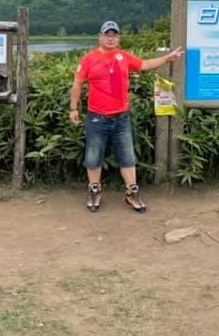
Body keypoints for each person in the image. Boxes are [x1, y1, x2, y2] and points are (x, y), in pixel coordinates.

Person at [69, 20, 183, 213]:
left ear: (118, 38)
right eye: (107, 34)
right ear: (100, 37)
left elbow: (145, 64)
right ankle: (94, 190)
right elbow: (77, 84)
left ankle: (132, 193)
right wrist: (73, 109)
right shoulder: (89, 59)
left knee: (128, 157)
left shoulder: (124, 57)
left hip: (121, 118)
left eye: (114, 35)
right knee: (93, 157)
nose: (110, 38)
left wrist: (167, 58)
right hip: (97, 118)